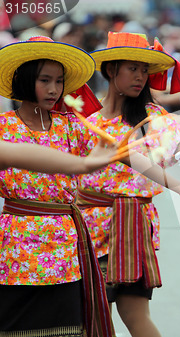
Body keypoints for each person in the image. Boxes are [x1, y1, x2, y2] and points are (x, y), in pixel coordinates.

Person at [77, 31, 180, 337]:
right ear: (111, 69)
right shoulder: (83, 119)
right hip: (88, 227)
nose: (141, 77)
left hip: (133, 227)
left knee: (135, 315)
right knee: (92, 317)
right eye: (133, 68)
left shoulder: (152, 118)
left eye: (145, 70)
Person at [0, 36, 114, 337]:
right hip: (17, 244)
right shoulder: (3, 127)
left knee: (66, 328)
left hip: (65, 244)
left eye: (60, 81)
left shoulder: (72, 125)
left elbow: (126, 153)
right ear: (25, 80)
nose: (54, 89)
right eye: (44, 80)